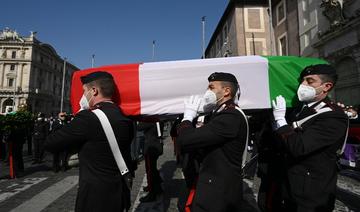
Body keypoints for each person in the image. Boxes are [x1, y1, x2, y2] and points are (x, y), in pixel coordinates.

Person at [45, 71, 134, 212]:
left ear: (94, 91)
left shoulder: (87, 118)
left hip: (95, 197)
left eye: (84, 91)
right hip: (120, 191)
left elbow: (50, 143)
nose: (83, 96)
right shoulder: (124, 116)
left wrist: (63, 123)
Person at [271, 64, 348, 212]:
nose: (302, 85)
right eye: (302, 80)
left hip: (311, 193)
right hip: (290, 184)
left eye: (310, 81)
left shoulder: (334, 116)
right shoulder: (300, 109)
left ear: (326, 86)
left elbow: (299, 147)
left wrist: (280, 121)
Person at [176, 72, 248, 211]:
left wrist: (187, 118)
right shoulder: (218, 113)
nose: (207, 92)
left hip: (218, 192)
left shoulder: (230, 117)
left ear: (226, 91)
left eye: (211, 87)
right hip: (212, 184)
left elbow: (185, 140)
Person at [137, 121, 164, 202]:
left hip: (151, 147)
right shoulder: (159, 119)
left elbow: (139, 127)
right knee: (153, 168)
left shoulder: (151, 120)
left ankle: (152, 193)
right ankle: (158, 188)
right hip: (156, 145)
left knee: (150, 171)